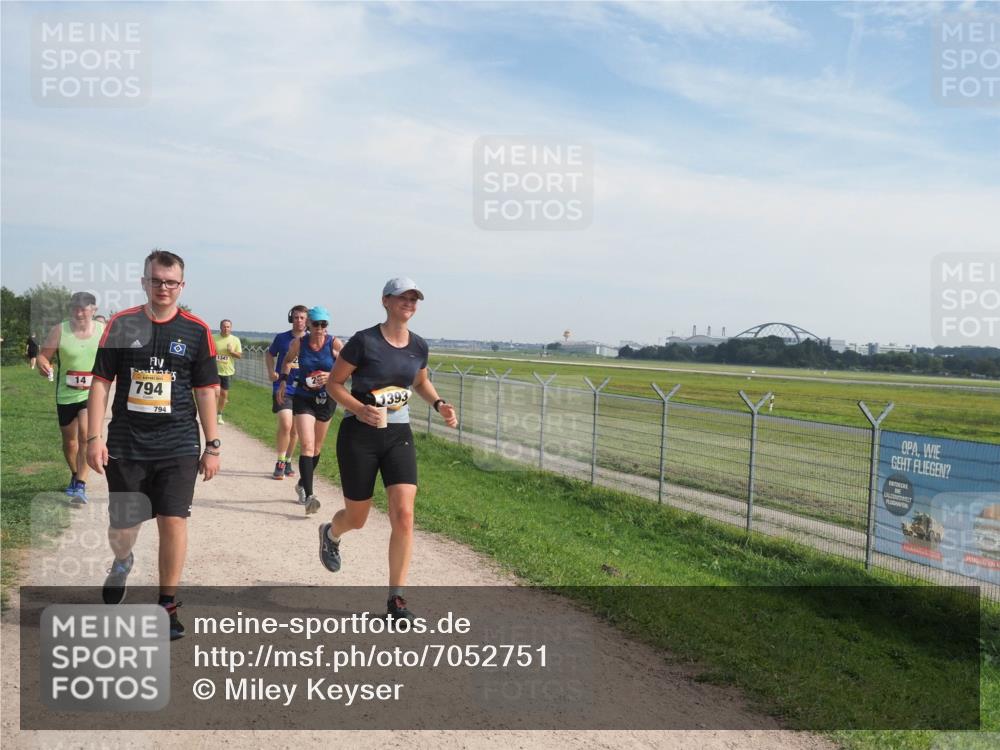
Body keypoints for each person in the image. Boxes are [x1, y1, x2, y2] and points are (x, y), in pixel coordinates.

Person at [86, 249, 221, 640]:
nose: (163, 288)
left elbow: (206, 390)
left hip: (178, 442)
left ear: (182, 285)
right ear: (144, 282)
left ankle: (168, 604)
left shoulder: (196, 330)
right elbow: (100, 383)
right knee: (123, 527)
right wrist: (94, 437)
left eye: (171, 282)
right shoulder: (122, 324)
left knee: (173, 520)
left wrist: (212, 445)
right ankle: (122, 561)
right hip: (127, 443)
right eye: (156, 280)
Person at [320, 278, 457, 621]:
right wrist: (357, 408)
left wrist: (439, 403)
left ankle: (396, 599)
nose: (409, 303)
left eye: (414, 299)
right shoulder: (363, 342)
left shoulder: (419, 346)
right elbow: (335, 384)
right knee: (358, 518)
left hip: (398, 434)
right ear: (385, 301)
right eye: (403, 297)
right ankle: (331, 533)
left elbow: (420, 381)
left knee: (404, 514)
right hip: (359, 435)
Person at [36, 292, 105, 503]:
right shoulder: (60, 330)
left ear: (93, 309)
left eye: (83, 308)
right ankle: (75, 475)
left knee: (85, 434)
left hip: (90, 392)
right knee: (70, 441)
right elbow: (43, 356)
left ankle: (81, 486)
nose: (78, 312)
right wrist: (43, 365)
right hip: (66, 393)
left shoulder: (104, 331)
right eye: (74, 308)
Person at [277, 306, 343, 515]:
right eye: (316, 324)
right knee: (307, 445)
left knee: (316, 449)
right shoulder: (299, 343)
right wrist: (282, 382)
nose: (320, 328)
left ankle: (301, 484)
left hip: (326, 399)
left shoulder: (334, 343)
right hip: (304, 397)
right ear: (309, 324)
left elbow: (348, 369)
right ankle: (310, 496)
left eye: (324, 325)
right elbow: (287, 361)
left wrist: (330, 375)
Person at [265, 306, 307, 482]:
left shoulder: (312, 340)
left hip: (303, 389)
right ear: (291, 319)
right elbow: (269, 353)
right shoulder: (282, 338)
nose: (299, 321)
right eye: (296, 317)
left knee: (295, 430)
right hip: (283, 387)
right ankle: (280, 461)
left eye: (302, 318)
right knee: (285, 423)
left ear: (307, 320)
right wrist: (271, 372)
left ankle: (289, 459)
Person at [213, 319, 242, 424]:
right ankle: (212, 414)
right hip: (214, 370)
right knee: (215, 392)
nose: (226, 329)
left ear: (231, 328)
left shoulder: (235, 340)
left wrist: (231, 351)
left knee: (224, 394)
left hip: (227, 371)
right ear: (220, 327)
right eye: (224, 326)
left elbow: (239, 355)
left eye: (228, 327)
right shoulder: (213, 338)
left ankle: (219, 413)